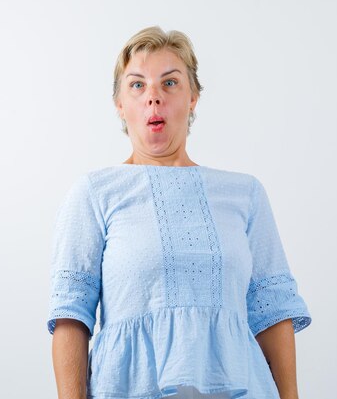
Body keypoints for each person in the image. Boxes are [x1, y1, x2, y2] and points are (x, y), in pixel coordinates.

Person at [47, 26, 312, 399]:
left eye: (169, 83)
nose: (153, 97)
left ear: (193, 98)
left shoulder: (245, 194)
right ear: (120, 104)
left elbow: (273, 314)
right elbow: (70, 317)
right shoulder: (94, 193)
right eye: (137, 85)